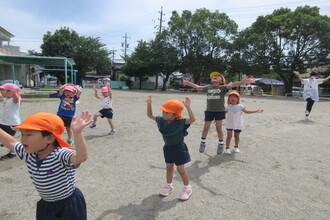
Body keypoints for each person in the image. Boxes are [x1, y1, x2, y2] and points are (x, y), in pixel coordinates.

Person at [0, 110, 92, 220]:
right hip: (47, 204)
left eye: (29, 134)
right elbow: (10, 142)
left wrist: (77, 133)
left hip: (69, 204)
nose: (23, 139)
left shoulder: (60, 154)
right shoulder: (28, 153)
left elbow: (81, 157)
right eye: (22, 134)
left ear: (50, 138)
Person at [183, 72, 254, 154]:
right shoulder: (208, 87)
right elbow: (198, 87)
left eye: (218, 76)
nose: (215, 77)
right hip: (209, 110)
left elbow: (232, 84)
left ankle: (220, 144)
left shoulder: (222, 88)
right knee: (205, 128)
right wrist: (188, 83)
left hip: (219, 111)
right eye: (213, 76)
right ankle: (203, 142)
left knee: (218, 128)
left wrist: (242, 81)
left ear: (221, 81)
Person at [146, 96, 195, 201]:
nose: (164, 114)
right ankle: (169, 186)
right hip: (167, 148)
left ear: (175, 114)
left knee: (180, 169)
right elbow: (150, 115)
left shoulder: (180, 122)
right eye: (163, 111)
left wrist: (188, 107)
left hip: (179, 148)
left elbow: (192, 119)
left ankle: (187, 188)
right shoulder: (161, 120)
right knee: (169, 168)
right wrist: (149, 104)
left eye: (167, 112)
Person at [0, 83, 21, 160]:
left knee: (8, 139)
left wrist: (14, 93)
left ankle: (13, 153)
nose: (1, 91)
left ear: (10, 92)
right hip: (3, 122)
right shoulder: (6, 98)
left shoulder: (14, 100)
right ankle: (3, 141)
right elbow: (1, 95)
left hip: (11, 124)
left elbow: (16, 99)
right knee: (3, 137)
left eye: (3, 90)